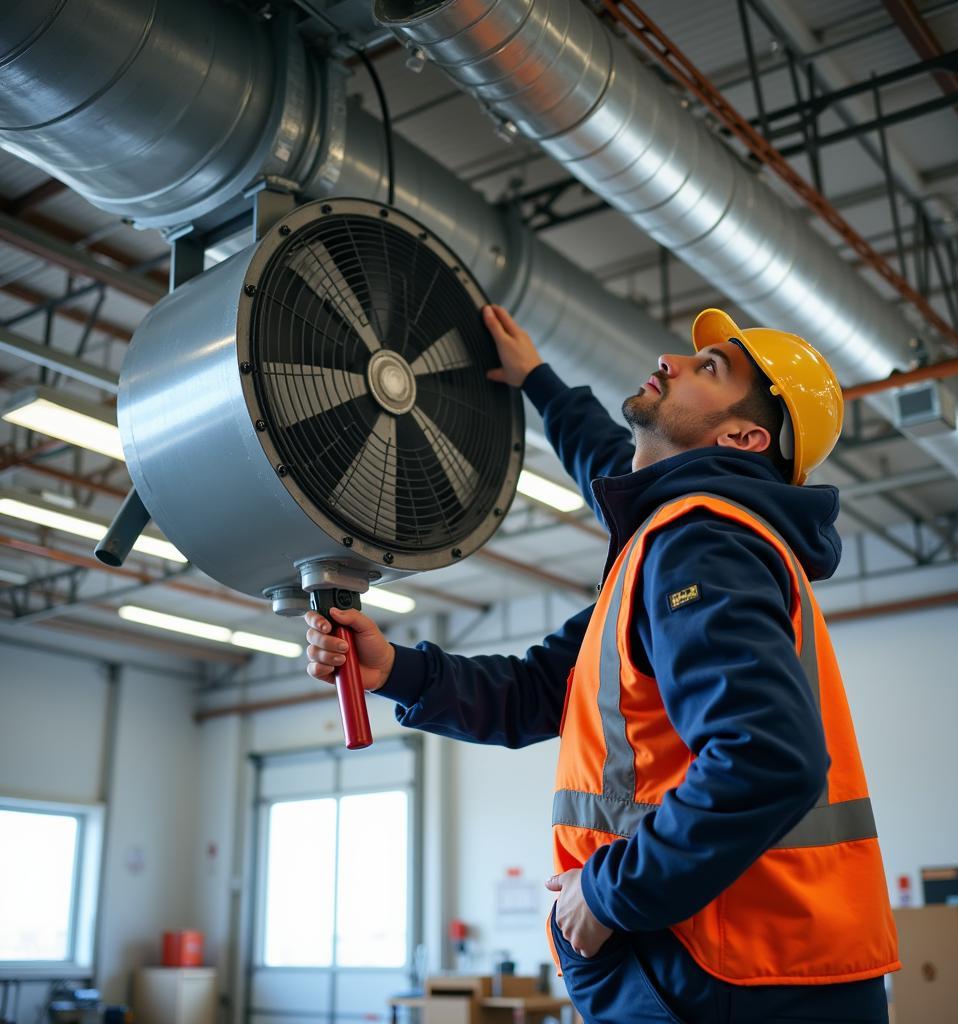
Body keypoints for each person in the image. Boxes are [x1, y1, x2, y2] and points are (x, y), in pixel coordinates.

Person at [305, 305, 900, 1024]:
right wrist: (393, 670)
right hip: (743, 963)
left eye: (708, 369)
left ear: (744, 438)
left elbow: (768, 760)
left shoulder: (701, 544)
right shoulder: (667, 548)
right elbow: (534, 690)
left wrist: (610, 893)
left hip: (723, 969)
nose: (672, 361)